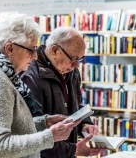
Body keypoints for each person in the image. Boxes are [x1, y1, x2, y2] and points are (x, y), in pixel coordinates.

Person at [0, 14, 81, 158]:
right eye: (31, 50)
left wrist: (44, 123)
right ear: (10, 48)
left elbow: (12, 126)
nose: (35, 56)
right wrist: (50, 136)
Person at [21, 26, 104, 158]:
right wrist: (73, 150)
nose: (77, 65)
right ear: (55, 50)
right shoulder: (30, 76)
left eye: (80, 59)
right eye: (73, 59)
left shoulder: (71, 72)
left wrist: (85, 123)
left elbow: (77, 104)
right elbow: (31, 130)